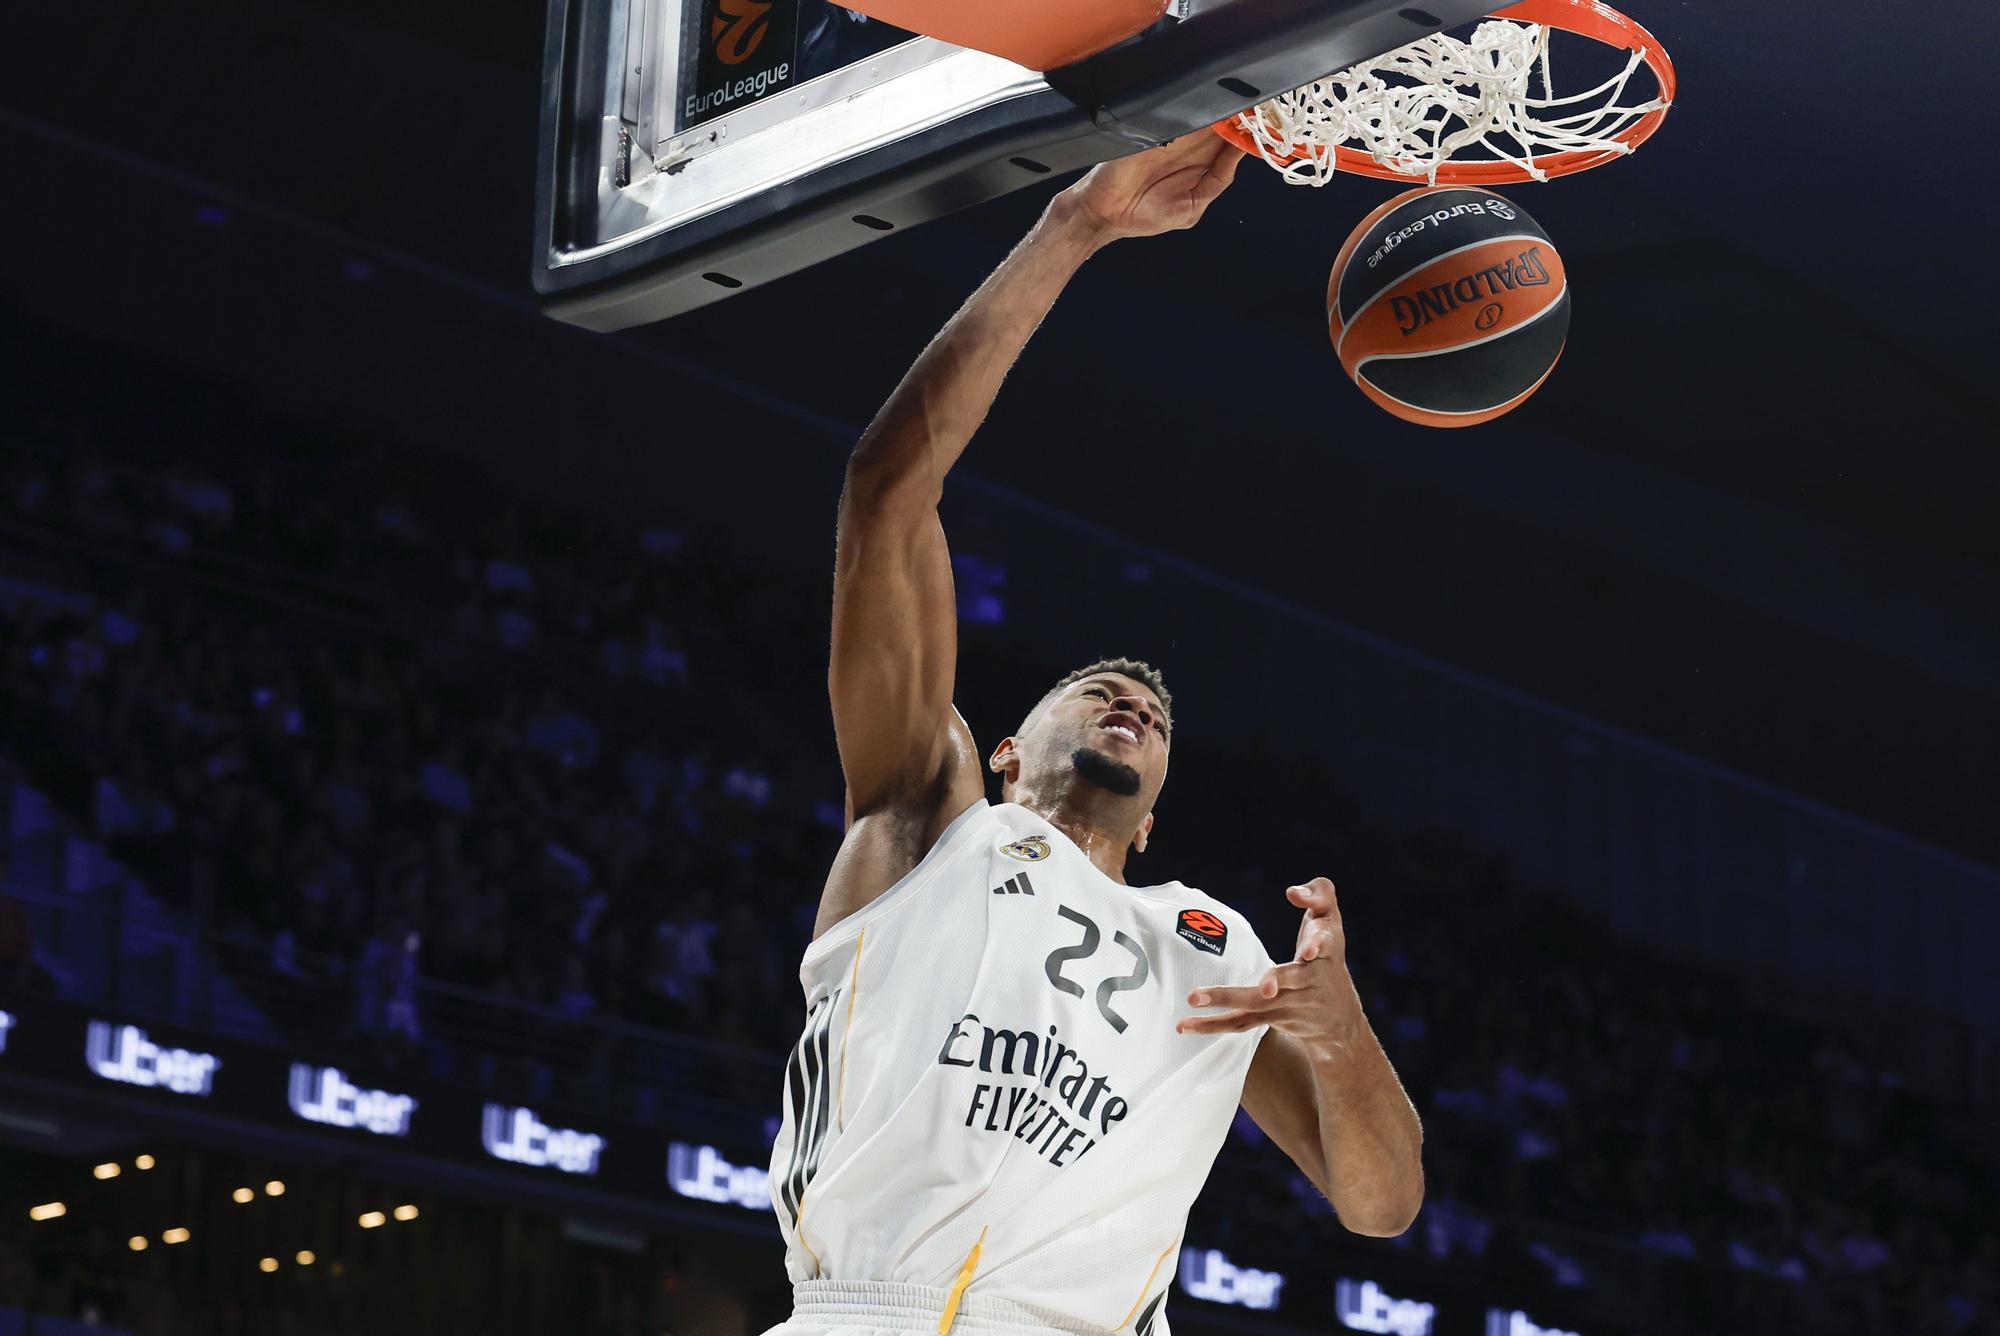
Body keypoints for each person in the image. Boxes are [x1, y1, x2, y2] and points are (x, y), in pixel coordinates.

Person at [761, 134, 1424, 1336]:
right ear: (1002, 749)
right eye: (1096, 687)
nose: (1133, 700)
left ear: (1157, 809)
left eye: (1153, 712)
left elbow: (1377, 1206)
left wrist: (1338, 1034)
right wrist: (1072, 227)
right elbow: (885, 488)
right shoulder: (928, 816)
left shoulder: (1216, 950)